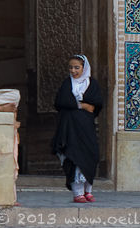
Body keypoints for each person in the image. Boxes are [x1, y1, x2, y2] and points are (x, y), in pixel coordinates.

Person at [51, 54, 103, 203]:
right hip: (69, 128)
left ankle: (88, 190)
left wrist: (79, 105)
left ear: (84, 68)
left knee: (89, 156)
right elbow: (61, 102)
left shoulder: (92, 84)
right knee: (73, 158)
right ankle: (78, 193)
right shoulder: (67, 84)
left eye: (77, 67)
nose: (73, 71)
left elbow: (95, 106)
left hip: (86, 128)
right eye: (71, 67)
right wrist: (82, 105)